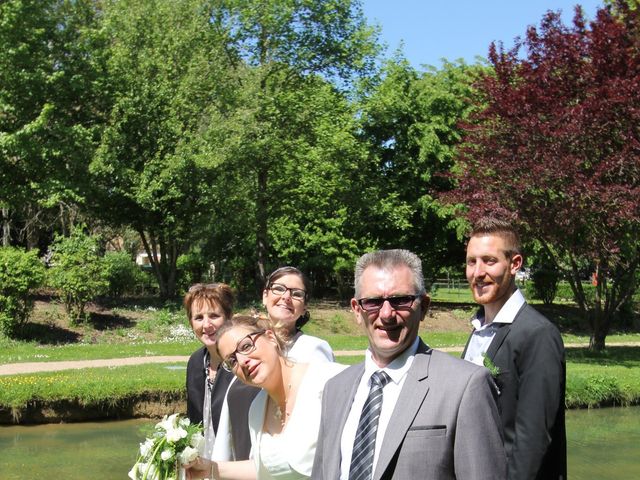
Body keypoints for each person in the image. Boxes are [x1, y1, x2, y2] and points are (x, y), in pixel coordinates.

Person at [312, 249, 506, 480]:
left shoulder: (464, 387)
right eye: (373, 302)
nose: (386, 314)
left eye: (400, 300)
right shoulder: (335, 389)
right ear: (357, 309)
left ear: (423, 306)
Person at [462, 217, 566, 480]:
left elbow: (532, 441)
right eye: (471, 261)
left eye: (489, 261)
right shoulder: (477, 329)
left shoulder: (538, 335)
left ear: (515, 263)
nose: (478, 272)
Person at [186, 314, 345, 480]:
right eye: (232, 361)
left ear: (270, 337)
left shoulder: (330, 382)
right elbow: (265, 471)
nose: (242, 361)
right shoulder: (257, 410)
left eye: (246, 346)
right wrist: (209, 468)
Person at [184, 283, 259, 461]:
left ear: (228, 318)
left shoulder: (244, 362)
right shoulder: (195, 363)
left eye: (214, 316)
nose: (206, 325)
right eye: (198, 317)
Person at [262, 266, 333, 362]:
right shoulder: (246, 341)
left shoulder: (314, 350)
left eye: (297, 294)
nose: (286, 297)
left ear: (304, 307)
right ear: (265, 296)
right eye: (279, 288)